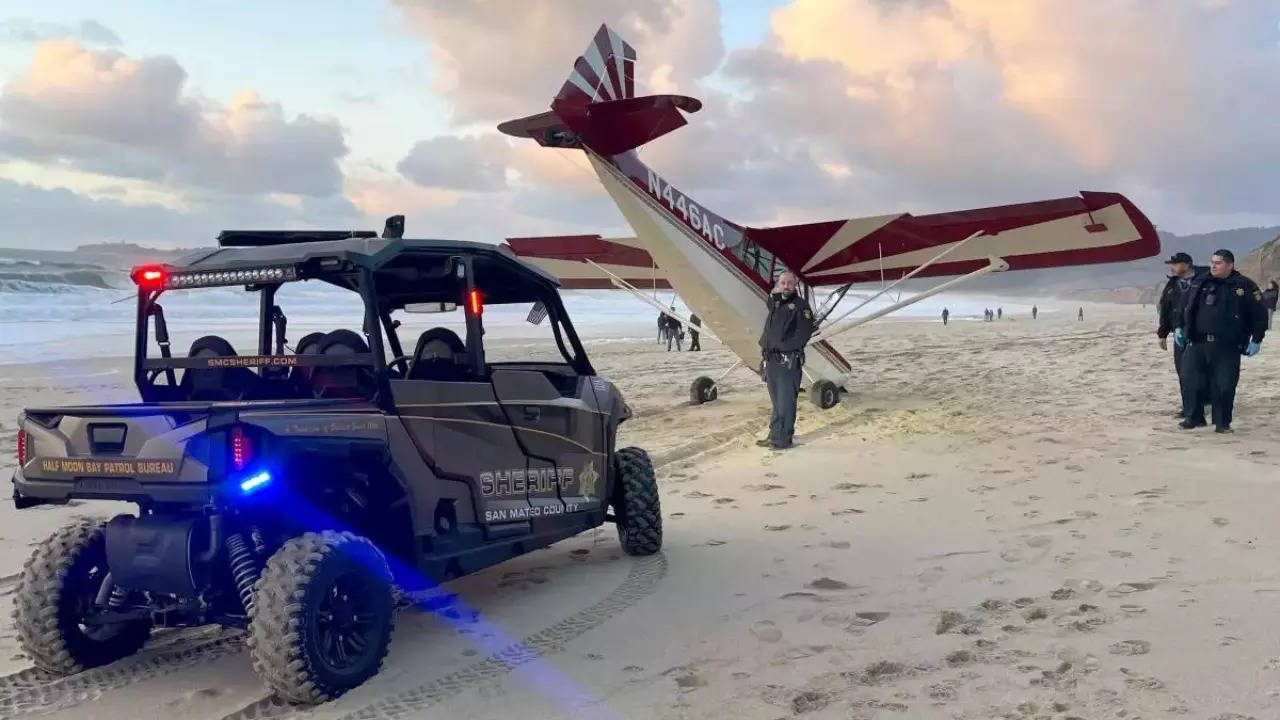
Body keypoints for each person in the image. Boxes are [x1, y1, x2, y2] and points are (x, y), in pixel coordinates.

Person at [1179, 249, 1266, 433]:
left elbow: (1260, 315)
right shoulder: (1201, 282)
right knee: (1191, 381)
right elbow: (1185, 306)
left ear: (1230, 265)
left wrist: (1257, 339)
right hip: (1197, 342)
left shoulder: (1244, 286)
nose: (1213, 266)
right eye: (1212, 262)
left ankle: (1222, 423)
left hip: (1227, 345)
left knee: (1224, 385)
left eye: (1218, 263)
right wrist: (1180, 327)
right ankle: (1193, 418)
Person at [757, 271, 815, 450]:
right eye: (782, 282)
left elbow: (803, 334)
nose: (786, 286)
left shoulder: (800, 306)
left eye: (789, 283)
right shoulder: (775, 304)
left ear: (795, 284)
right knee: (776, 402)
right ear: (778, 284)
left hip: (787, 361)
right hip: (771, 361)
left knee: (785, 402)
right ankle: (775, 435)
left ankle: (783, 440)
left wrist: (784, 347)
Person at [1156, 252, 1205, 419]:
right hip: (1179, 333)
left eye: (1175, 264)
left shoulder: (1205, 279)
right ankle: (1188, 408)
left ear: (1186, 264)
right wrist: (1162, 334)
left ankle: (1205, 402)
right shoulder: (1172, 284)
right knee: (1183, 372)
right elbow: (1165, 309)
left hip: (1201, 334)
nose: (1172, 267)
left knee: (1202, 371)